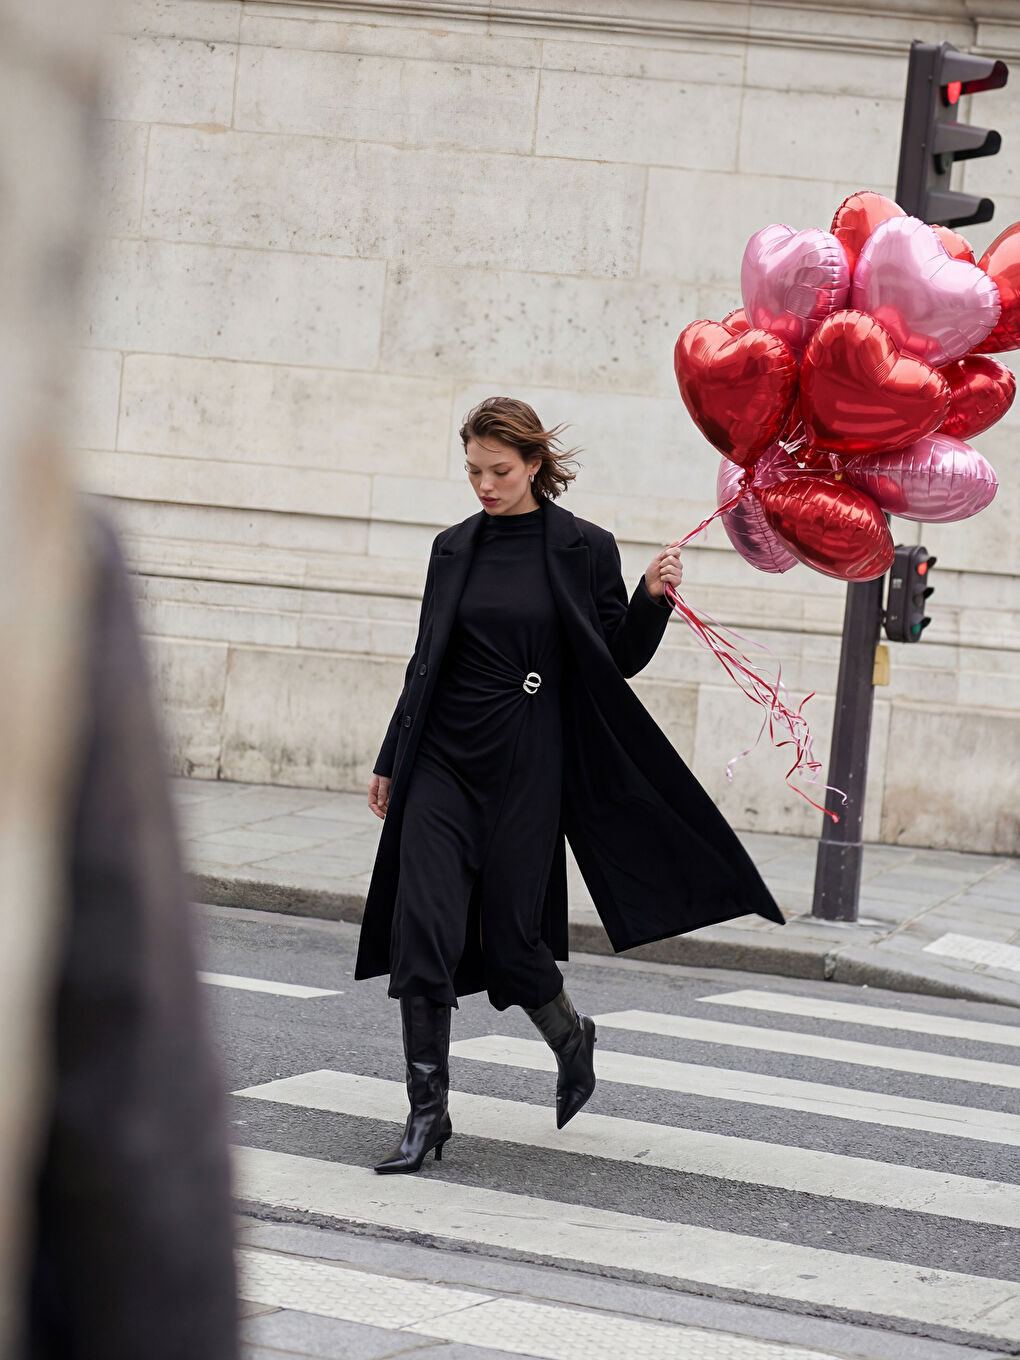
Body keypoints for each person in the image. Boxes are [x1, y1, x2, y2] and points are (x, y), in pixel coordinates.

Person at [357, 397, 783, 1175]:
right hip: (443, 763)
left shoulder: (584, 547)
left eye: (499, 470)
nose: (484, 484)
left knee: (514, 943)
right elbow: (426, 662)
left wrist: (653, 598)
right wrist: (392, 758)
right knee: (421, 931)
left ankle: (570, 1037)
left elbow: (614, 657)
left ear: (533, 465)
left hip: (527, 769)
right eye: (474, 471)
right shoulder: (453, 549)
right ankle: (427, 1114)